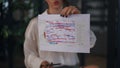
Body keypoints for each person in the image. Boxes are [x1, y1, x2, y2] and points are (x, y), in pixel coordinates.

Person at [24, 0, 96, 68]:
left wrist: (80, 20)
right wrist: (40, 63)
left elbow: (91, 42)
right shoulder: (35, 23)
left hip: (74, 65)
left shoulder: (73, 19)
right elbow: (29, 54)